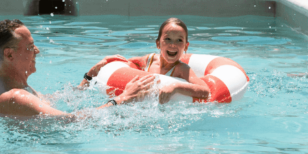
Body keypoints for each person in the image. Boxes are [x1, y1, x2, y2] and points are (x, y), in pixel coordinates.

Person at [0, 19, 153, 118]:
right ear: (9, 55)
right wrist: (123, 99)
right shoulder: (15, 96)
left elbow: (48, 101)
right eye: (30, 47)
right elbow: (70, 121)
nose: (37, 51)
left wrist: (88, 78)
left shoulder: (15, 88)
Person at [82, 17, 211, 103]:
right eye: (168, 39)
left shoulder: (182, 69)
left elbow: (205, 91)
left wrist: (175, 87)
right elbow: (127, 65)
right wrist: (108, 62)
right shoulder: (149, 60)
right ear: (158, 44)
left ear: (186, 46)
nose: (173, 45)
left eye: (179, 40)